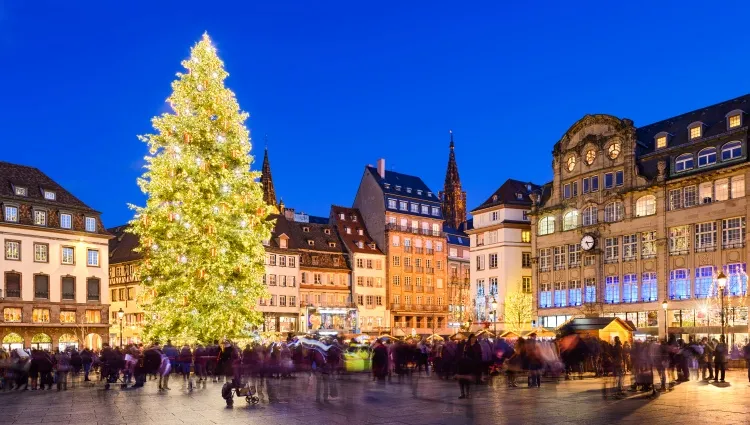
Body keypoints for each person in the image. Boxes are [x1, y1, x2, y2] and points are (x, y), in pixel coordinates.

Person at [457, 334, 480, 399]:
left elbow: (479, 354)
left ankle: (467, 393)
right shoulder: (466, 345)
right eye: (472, 338)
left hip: (473, 363)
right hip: (465, 363)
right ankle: (462, 393)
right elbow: (463, 353)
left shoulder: (477, 345)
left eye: (474, 338)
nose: (474, 339)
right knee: (462, 379)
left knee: (468, 380)